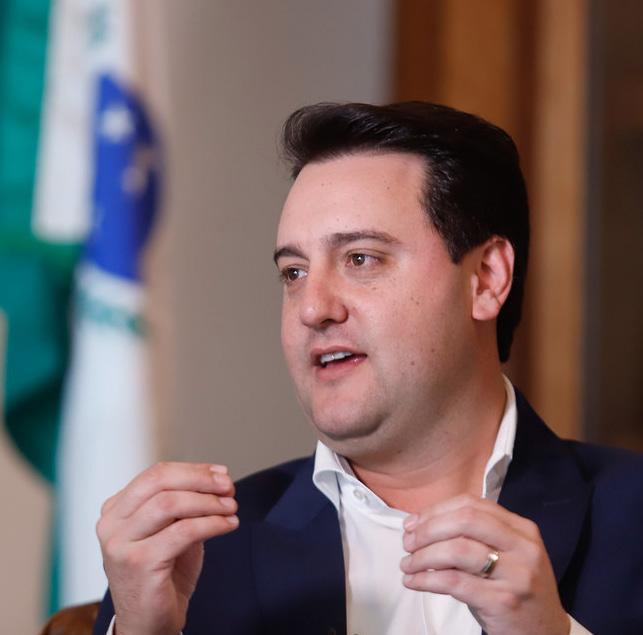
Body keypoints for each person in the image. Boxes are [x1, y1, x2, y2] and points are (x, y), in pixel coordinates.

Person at [93, 102, 643, 635]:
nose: (313, 308)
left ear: (486, 279)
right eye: (294, 272)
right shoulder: (200, 556)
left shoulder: (631, 515)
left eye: (361, 258)